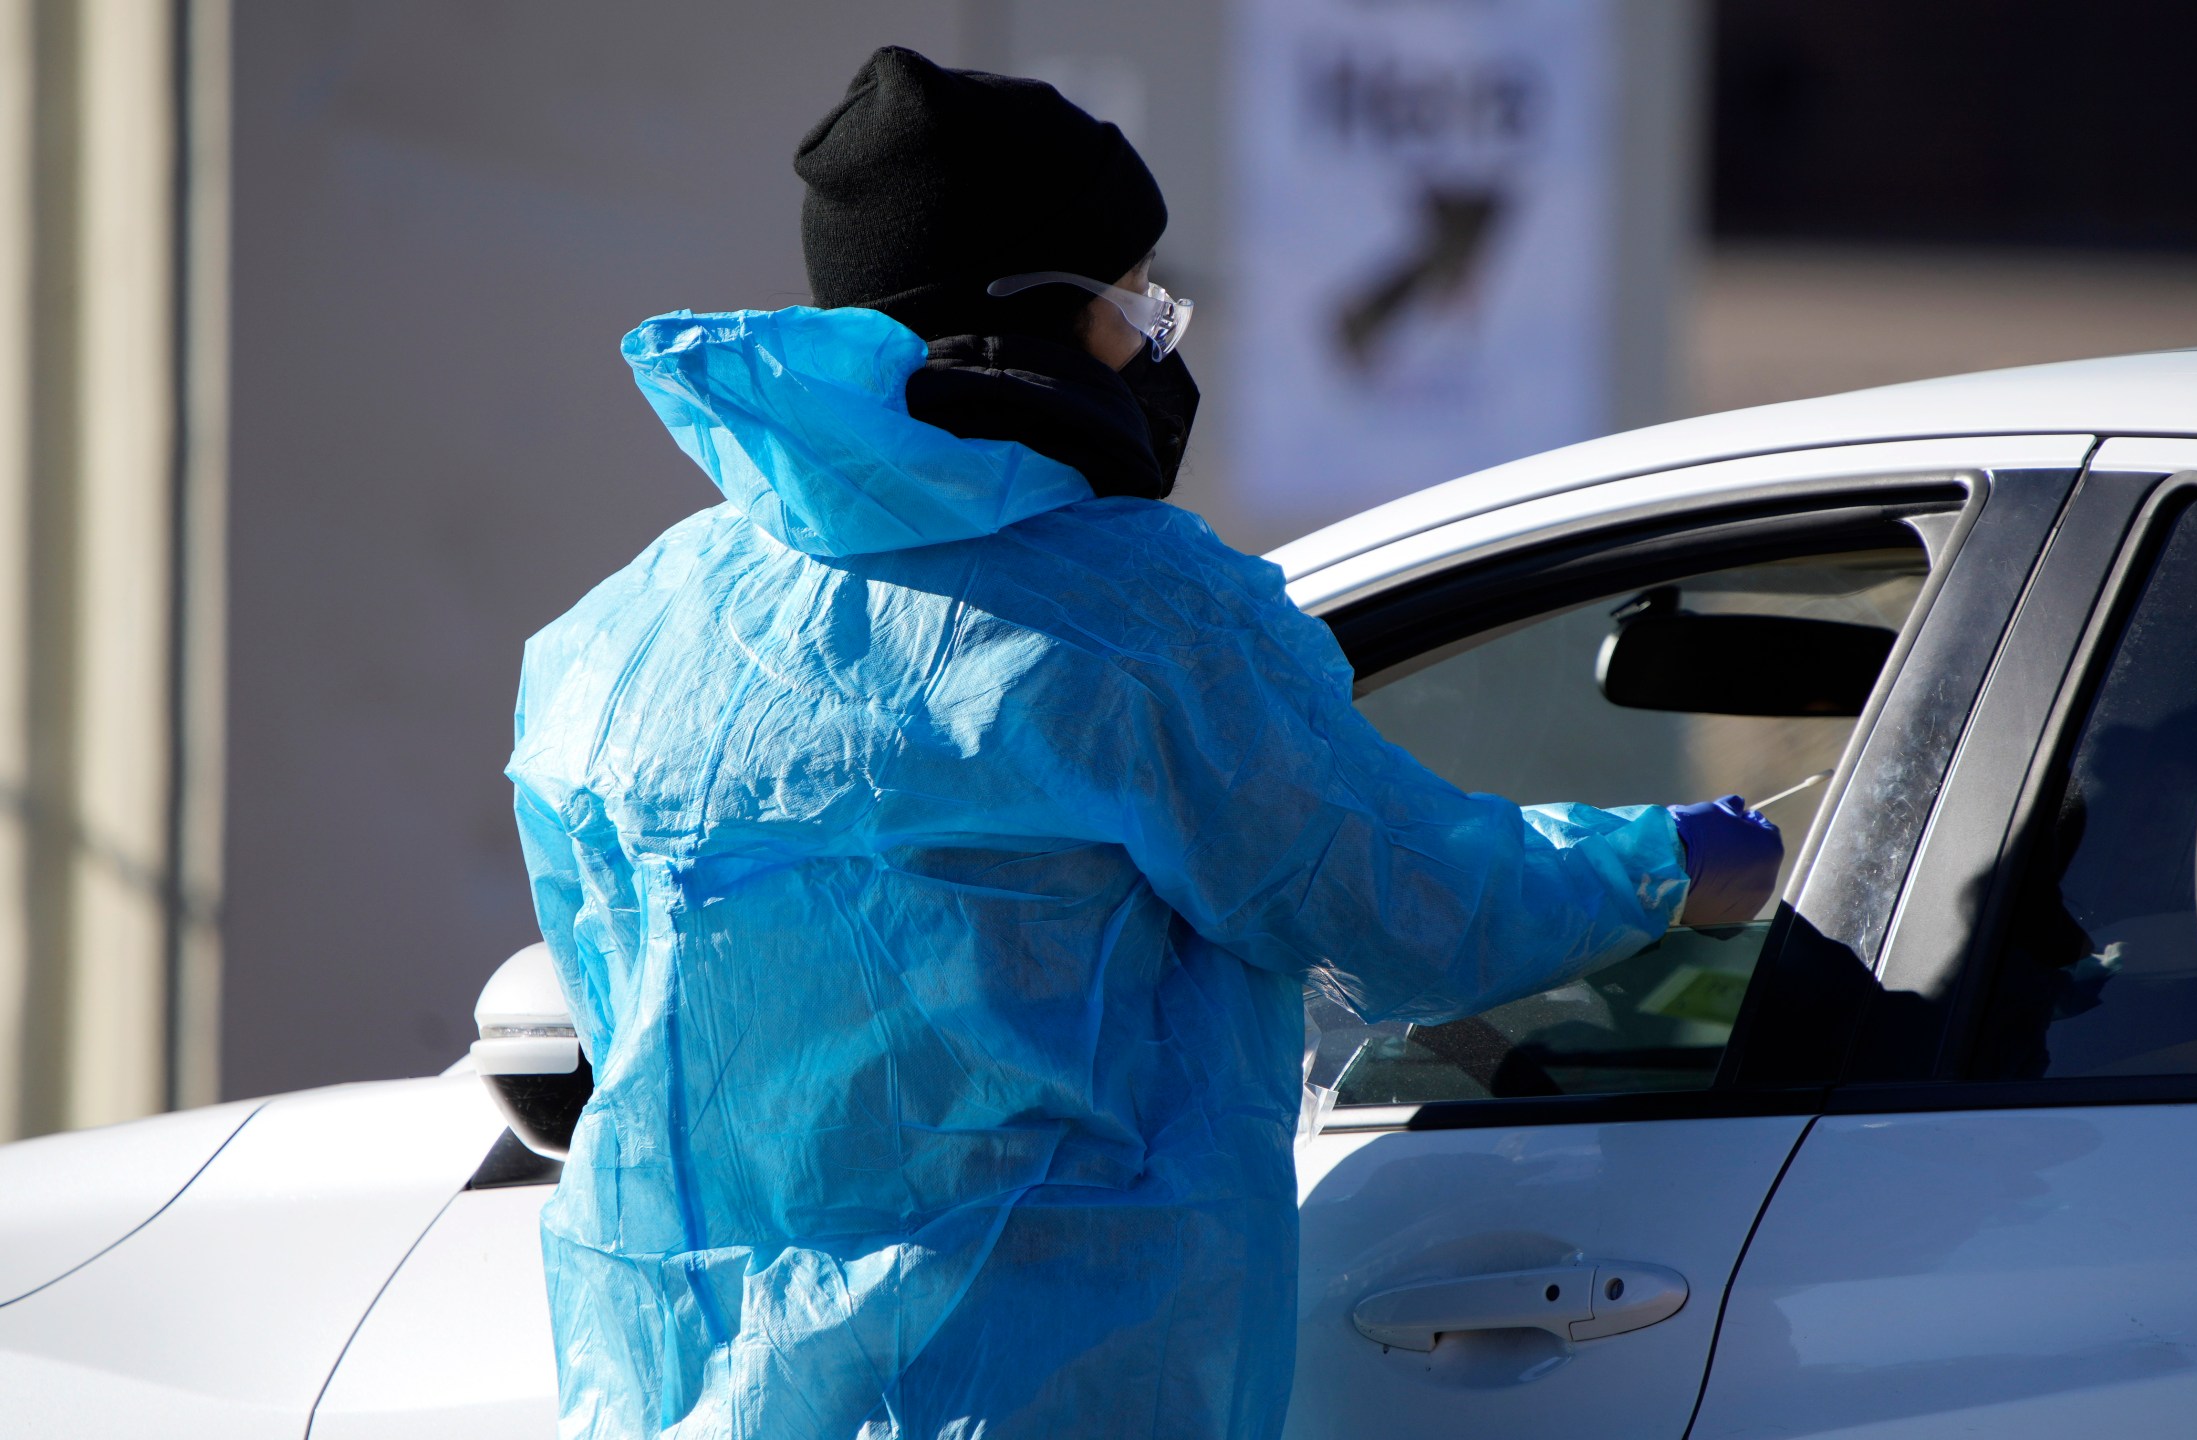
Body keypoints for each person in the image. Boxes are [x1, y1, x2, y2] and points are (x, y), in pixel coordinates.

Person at [507, 46, 1781, 1440]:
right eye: (1133, 300)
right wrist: (1659, 870)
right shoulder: (1141, 618)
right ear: (1034, 313)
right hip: (1042, 1389)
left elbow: (619, 1006)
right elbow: (1402, 903)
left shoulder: (614, 642)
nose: (1154, 342)